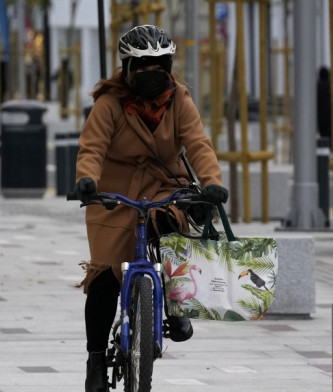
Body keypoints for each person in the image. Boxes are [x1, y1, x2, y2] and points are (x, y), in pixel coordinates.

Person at [73, 25, 228, 392]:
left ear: (170, 65)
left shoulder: (180, 99)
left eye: (158, 64)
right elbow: (92, 147)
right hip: (112, 192)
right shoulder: (109, 103)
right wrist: (87, 180)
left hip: (164, 185)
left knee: (174, 234)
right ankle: (96, 360)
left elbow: (198, 144)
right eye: (140, 66)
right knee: (105, 278)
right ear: (126, 69)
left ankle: (177, 306)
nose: (150, 73)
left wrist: (212, 182)